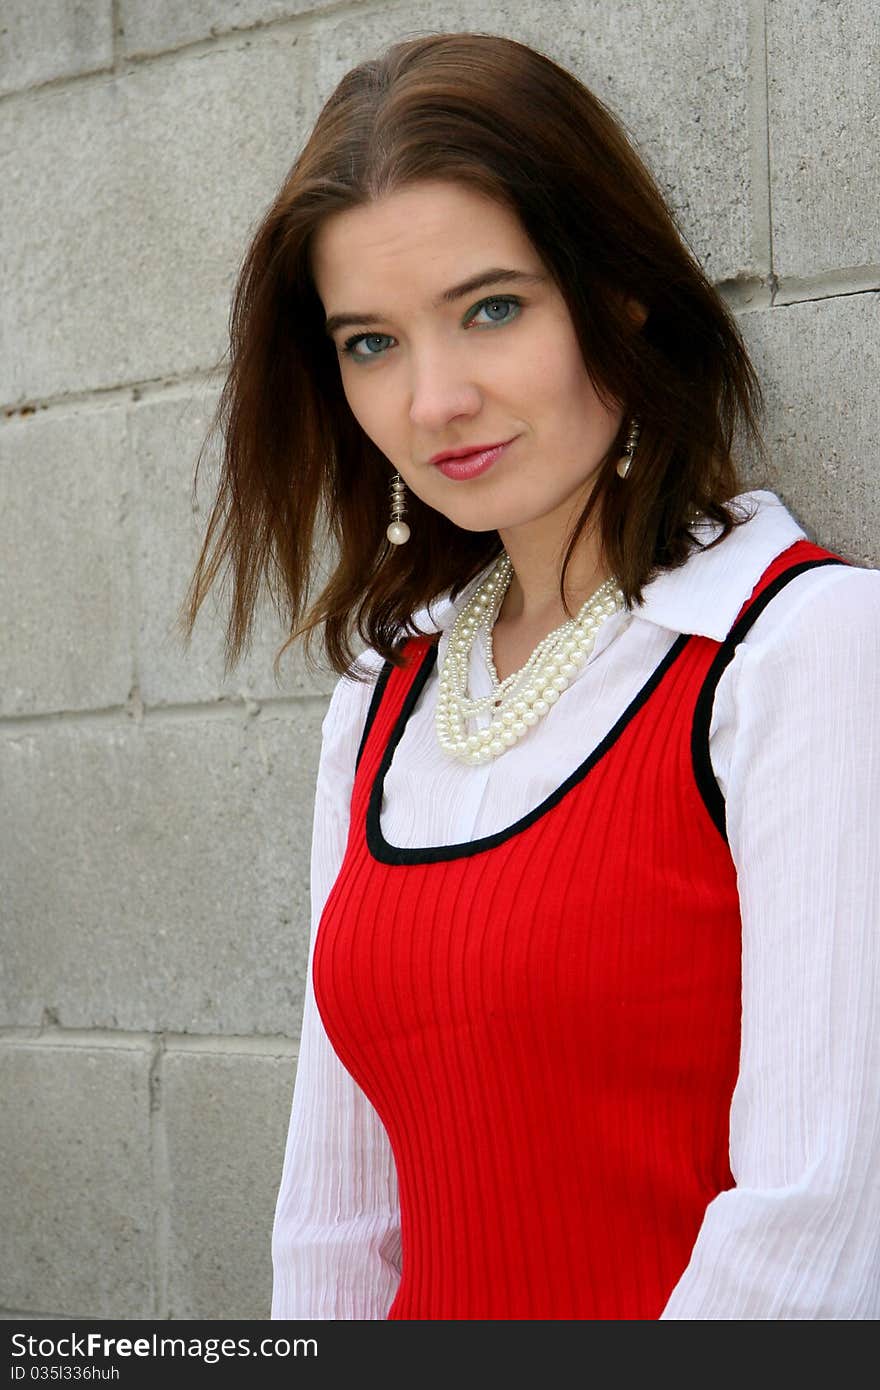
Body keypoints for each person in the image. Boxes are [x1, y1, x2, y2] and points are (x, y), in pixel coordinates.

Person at [178, 33, 880, 1320]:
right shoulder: (378, 702)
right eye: (371, 343)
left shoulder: (800, 653)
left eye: (491, 308)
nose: (434, 397)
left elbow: (822, 1219)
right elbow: (333, 1221)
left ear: (617, 295)